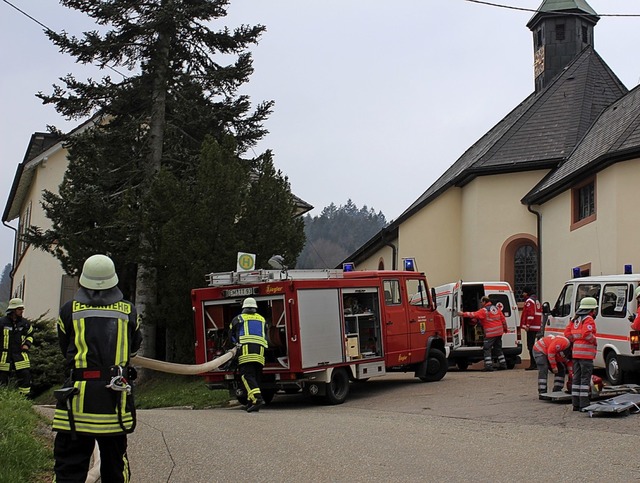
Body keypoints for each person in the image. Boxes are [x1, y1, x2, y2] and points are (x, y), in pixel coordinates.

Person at [53, 254, 142, 482]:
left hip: (77, 403)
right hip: (114, 400)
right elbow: (135, 345)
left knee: (69, 469)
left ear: (83, 280)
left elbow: (66, 350)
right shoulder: (129, 311)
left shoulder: (68, 310)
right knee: (114, 466)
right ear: (114, 280)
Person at [229, 297, 268, 412]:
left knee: (246, 376)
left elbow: (231, 336)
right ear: (255, 307)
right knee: (255, 377)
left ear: (244, 308)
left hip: (246, 351)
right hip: (260, 352)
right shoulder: (262, 319)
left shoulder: (238, 319)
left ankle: (257, 399)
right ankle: (251, 402)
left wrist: (234, 346)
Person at [564, 296, 598, 412]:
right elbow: (586, 334)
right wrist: (594, 340)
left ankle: (576, 404)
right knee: (585, 379)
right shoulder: (588, 319)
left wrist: (575, 341)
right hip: (586, 354)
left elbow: (567, 334)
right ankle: (584, 404)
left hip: (576, 353)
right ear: (591, 310)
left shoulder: (575, 319)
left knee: (576, 378)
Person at [458, 296, 509, 371]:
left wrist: (462, 314)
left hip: (491, 333)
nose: (481, 303)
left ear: (485, 301)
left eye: (481, 302)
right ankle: (503, 364)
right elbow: (503, 319)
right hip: (499, 332)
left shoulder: (484, 310)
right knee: (498, 348)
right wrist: (505, 329)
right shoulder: (496, 308)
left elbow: (473, 314)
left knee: (486, 348)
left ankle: (488, 366)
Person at [0, 298, 33, 397]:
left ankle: (24, 399)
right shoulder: (2, 322)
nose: (22, 311)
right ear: (13, 310)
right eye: (19, 309)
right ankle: (3, 400)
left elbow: (30, 335)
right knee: (2, 380)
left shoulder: (25, 324)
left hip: (20, 355)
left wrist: (27, 344)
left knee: (25, 377)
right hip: (4, 356)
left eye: (22, 309)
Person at [520, 287, 543, 371]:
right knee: (533, 345)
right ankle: (534, 363)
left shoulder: (529, 301)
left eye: (524, 293)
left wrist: (527, 325)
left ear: (527, 293)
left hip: (532, 327)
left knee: (530, 346)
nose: (522, 294)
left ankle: (533, 364)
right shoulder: (536, 300)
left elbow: (530, 314)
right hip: (536, 326)